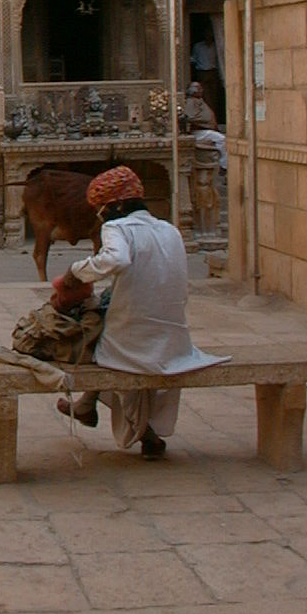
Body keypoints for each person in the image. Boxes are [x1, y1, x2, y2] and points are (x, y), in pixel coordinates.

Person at [53, 166, 227, 459]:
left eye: (102, 210)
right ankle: (87, 406)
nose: (101, 217)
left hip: (136, 340)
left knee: (93, 344)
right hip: (174, 339)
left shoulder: (117, 228)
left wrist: (75, 273)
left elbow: (116, 259)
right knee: (119, 332)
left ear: (118, 206)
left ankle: (141, 431)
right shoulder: (169, 230)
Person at [182, 81, 227, 171]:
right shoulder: (191, 101)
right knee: (221, 139)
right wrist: (205, 121)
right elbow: (190, 117)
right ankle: (224, 165)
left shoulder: (199, 100)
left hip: (205, 130)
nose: (201, 90)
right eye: (199, 88)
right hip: (198, 131)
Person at [190, 24, 222, 122]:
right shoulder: (198, 46)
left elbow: (220, 59)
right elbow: (193, 59)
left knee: (214, 97)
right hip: (202, 72)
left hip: (213, 72)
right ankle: (207, 119)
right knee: (204, 96)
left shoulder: (216, 46)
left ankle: (215, 119)